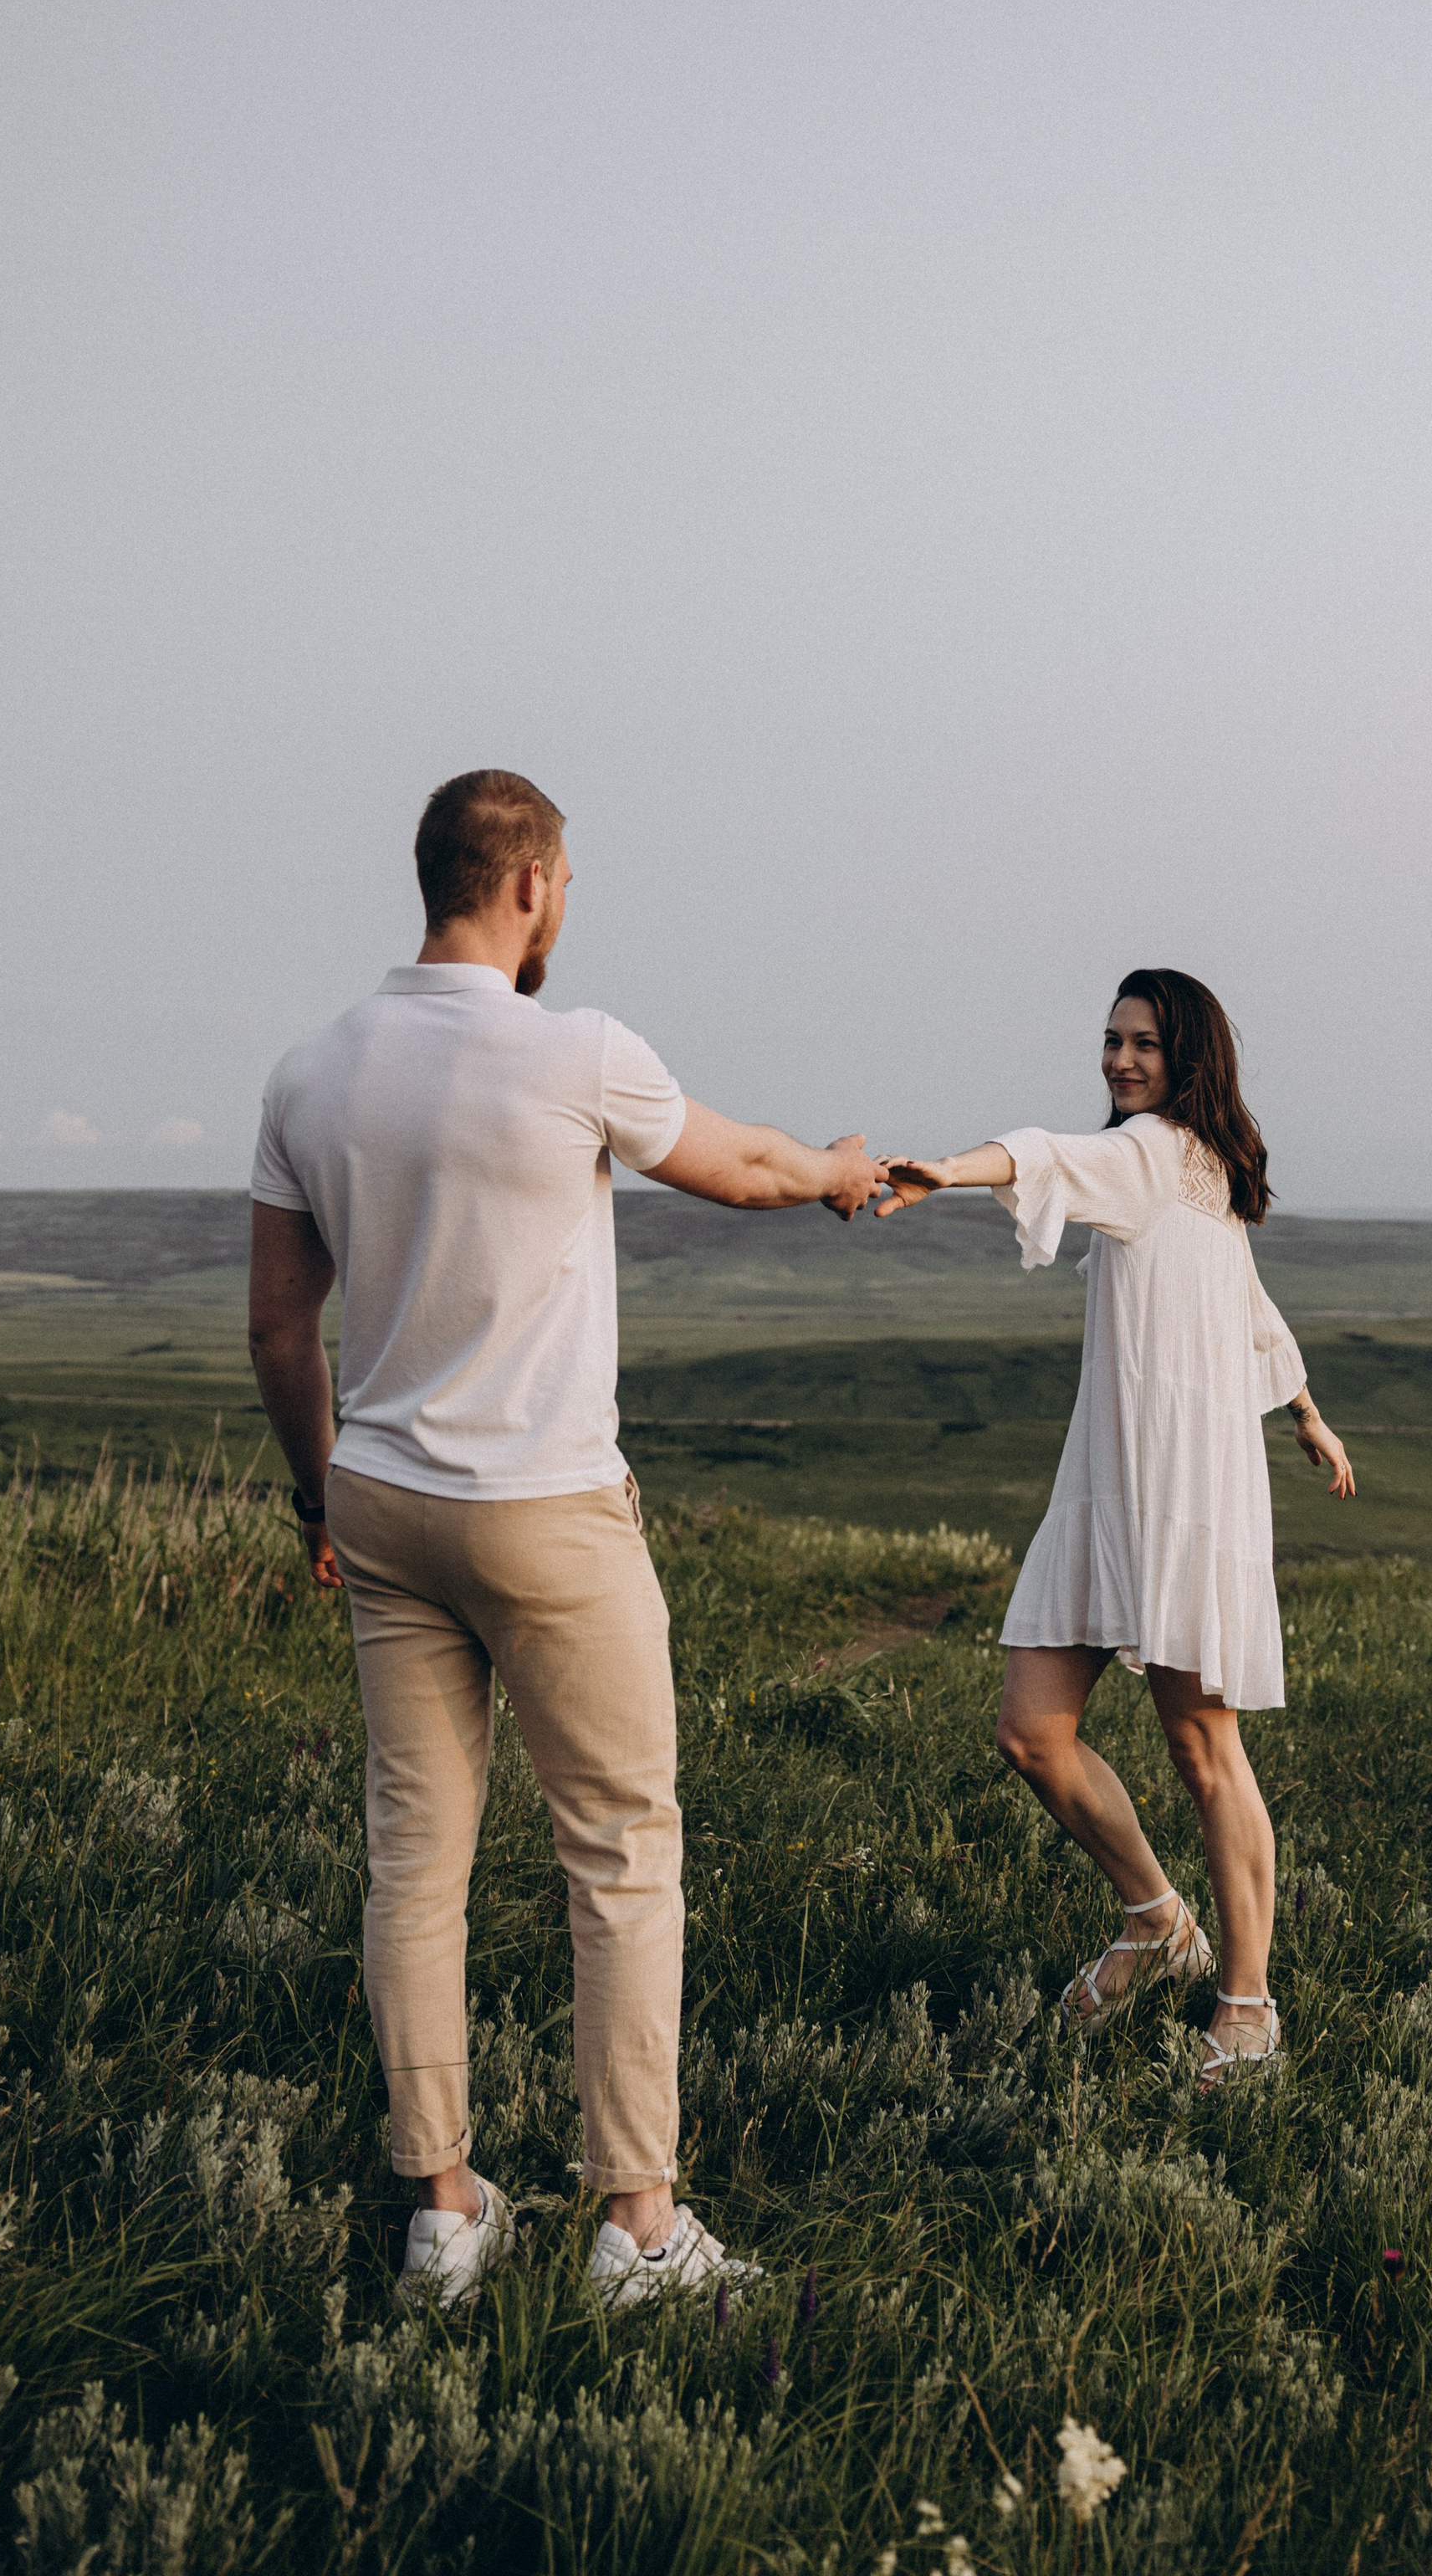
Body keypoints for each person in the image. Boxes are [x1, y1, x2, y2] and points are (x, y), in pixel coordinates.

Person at [248, 768, 887, 2305]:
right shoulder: (573, 1051)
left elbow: (280, 1329)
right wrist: (839, 1173)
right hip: (548, 1512)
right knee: (620, 1855)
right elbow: (743, 1169)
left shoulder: (310, 1073)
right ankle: (638, 2229)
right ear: (528, 883)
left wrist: (319, 1499)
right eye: (567, 885)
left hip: (389, 1506)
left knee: (418, 1862)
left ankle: (446, 2212)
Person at [877, 968, 1353, 2084]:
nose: (1119, 1060)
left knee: (1203, 1748)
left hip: (1183, 1490)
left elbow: (1225, 1295)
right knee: (1032, 1733)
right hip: (1107, 1486)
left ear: (1188, 1055)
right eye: (1110, 1041)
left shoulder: (1170, 1160)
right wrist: (1311, 1415)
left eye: (1141, 1043)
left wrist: (948, 1168)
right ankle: (1156, 1920)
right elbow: (1065, 1160)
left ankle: (1248, 2005)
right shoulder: (1167, 1165)